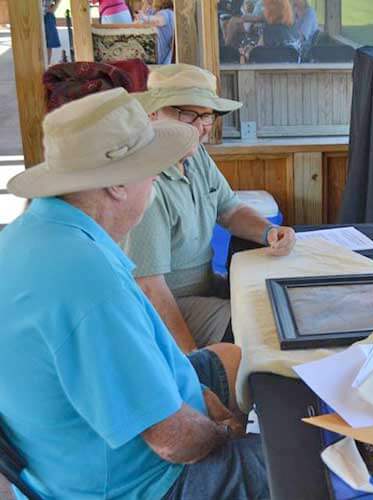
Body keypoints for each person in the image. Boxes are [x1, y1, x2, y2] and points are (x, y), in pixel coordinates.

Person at [0, 88, 268, 499]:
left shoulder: (26, 234)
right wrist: (221, 434)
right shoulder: (87, 280)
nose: (156, 184)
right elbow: (175, 441)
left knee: (233, 357)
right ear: (119, 185)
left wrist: (196, 395)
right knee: (304, 460)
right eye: (153, 171)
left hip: (66, 451)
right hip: (137, 482)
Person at [127, 64, 296, 353]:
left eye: (207, 114)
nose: (200, 126)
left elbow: (230, 210)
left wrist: (269, 232)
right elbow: (149, 288)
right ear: (152, 114)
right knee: (262, 330)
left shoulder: (195, 156)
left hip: (205, 286)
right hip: (164, 307)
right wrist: (194, 367)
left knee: (280, 304)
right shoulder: (145, 182)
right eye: (186, 113)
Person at [135, 0, 174, 64]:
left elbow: (158, 20)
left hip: (159, 59)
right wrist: (145, 5)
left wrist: (144, 17)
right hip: (152, 55)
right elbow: (138, 23)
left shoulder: (167, 13)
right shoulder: (153, 11)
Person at [43, 1, 62, 65]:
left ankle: (47, 64)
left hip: (47, 15)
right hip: (34, 14)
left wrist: (54, 8)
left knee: (49, 42)